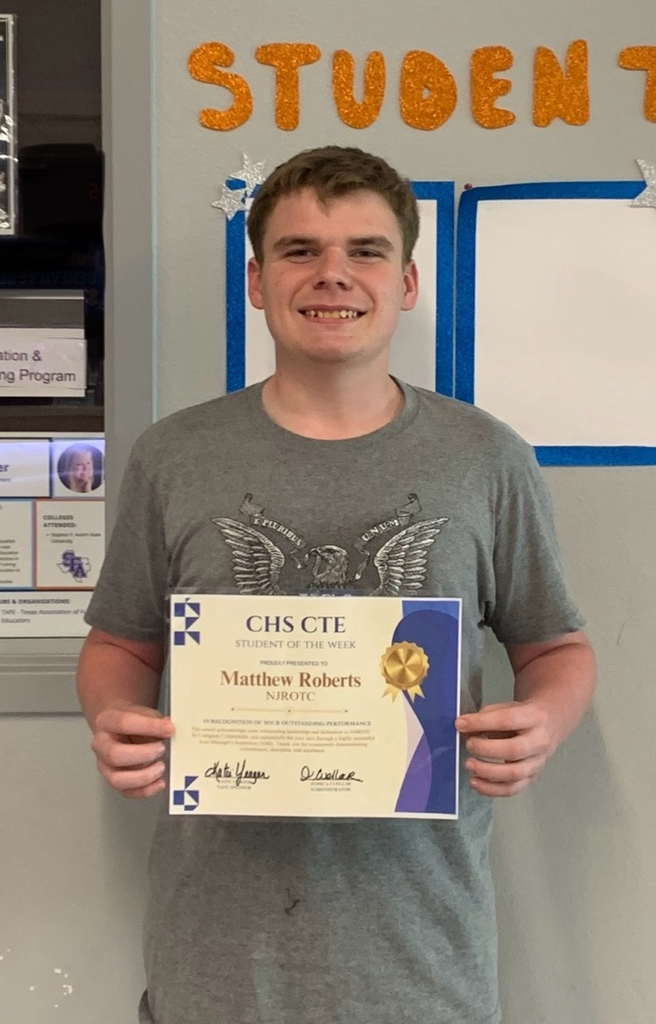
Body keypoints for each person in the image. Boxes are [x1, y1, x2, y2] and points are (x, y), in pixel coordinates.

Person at [77, 146, 596, 1024]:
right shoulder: (175, 456)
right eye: (299, 250)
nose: (333, 275)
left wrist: (543, 720)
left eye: (365, 251)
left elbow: (556, 645)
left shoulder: (486, 459)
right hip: (216, 964)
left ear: (407, 282)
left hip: (423, 961)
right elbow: (120, 642)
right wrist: (114, 718)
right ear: (256, 280)